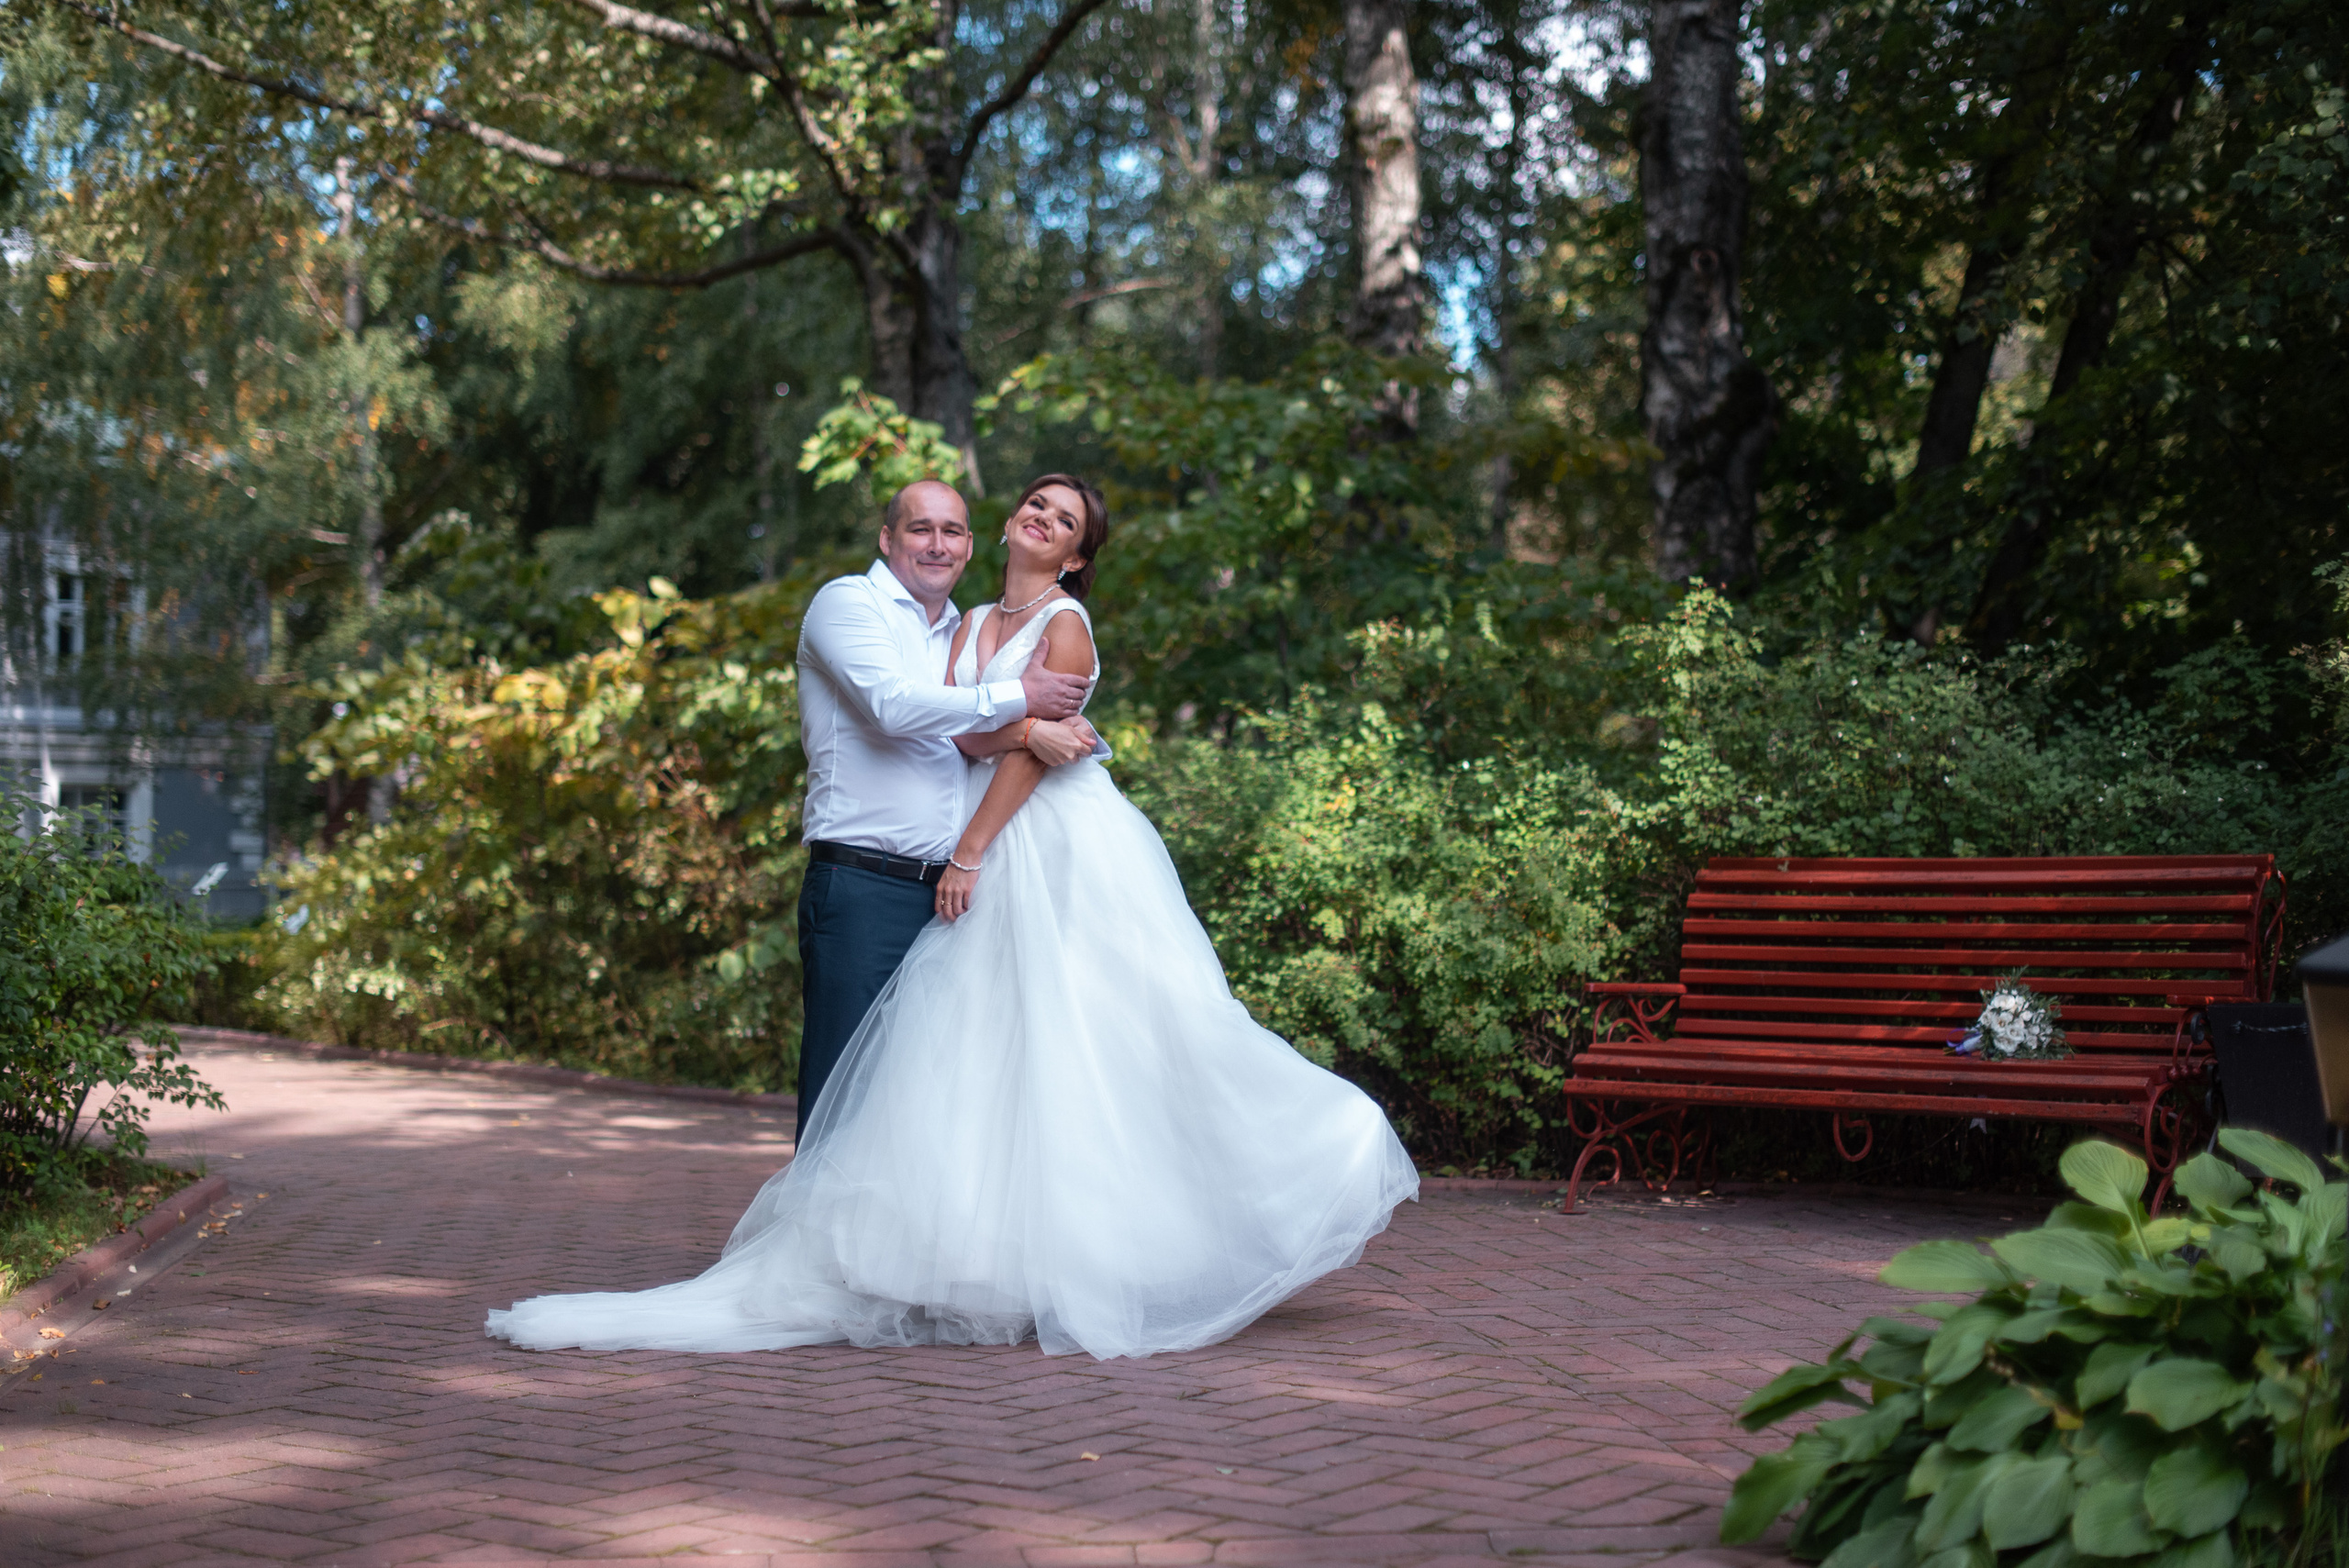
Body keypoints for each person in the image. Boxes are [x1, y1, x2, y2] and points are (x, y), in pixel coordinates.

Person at [485, 473, 1418, 1361]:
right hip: (932, 860)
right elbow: (952, 726)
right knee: (948, 1067)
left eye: (1062, 518)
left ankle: (1242, 1180)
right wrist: (1023, 720)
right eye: (1032, 504)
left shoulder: (1065, 625)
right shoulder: (946, 618)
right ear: (896, 537)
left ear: (1078, 556)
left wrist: (976, 833)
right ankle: (890, 1258)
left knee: (1080, 1044)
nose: (1038, 519)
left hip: (1033, 845)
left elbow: (1020, 757)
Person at [785, 478, 1095, 1137]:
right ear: (887, 537)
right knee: (842, 1093)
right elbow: (895, 708)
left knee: (926, 1106)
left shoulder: (964, 625)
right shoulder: (848, 604)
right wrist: (1023, 707)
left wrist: (1036, 730)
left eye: (952, 531)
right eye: (920, 528)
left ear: (971, 544)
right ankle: (813, 1242)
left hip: (958, 898)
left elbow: (973, 739)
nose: (937, 544)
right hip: (863, 882)